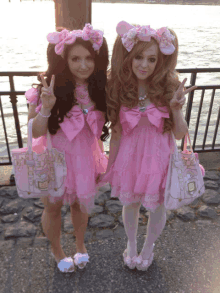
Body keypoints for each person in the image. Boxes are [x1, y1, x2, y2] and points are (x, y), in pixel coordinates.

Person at [97, 21, 197, 271]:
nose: (144, 64)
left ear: (160, 61)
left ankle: (149, 246)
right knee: (129, 203)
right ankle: (131, 244)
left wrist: (176, 110)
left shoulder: (169, 86)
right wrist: (110, 167)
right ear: (129, 57)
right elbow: (117, 134)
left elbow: (180, 134)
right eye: (138, 57)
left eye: (152, 59)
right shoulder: (118, 87)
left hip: (159, 156)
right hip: (130, 157)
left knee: (157, 206)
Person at [26, 24, 109, 273]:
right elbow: (35, 132)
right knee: (52, 206)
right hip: (54, 157)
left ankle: (81, 246)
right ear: (64, 59)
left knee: (79, 205)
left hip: (84, 157)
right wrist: (47, 107)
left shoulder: (98, 89)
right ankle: (57, 251)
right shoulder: (47, 90)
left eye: (88, 58)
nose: (83, 65)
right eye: (75, 58)